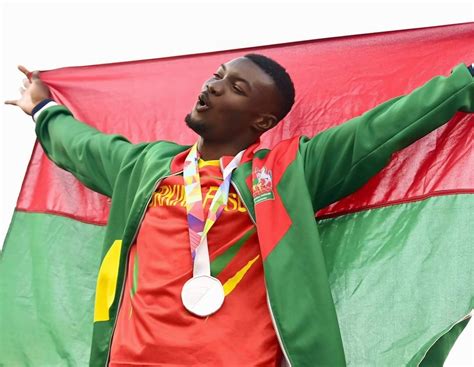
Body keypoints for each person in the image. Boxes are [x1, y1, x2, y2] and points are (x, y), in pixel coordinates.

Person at [5, 54, 474, 367]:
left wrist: (463, 82)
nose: (213, 86)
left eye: (236, 87)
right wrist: (43, 109)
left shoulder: (288, 171)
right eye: (218, 75)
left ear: (262, 120)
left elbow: (378, 129)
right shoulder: (145, 165)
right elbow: (81, 147)